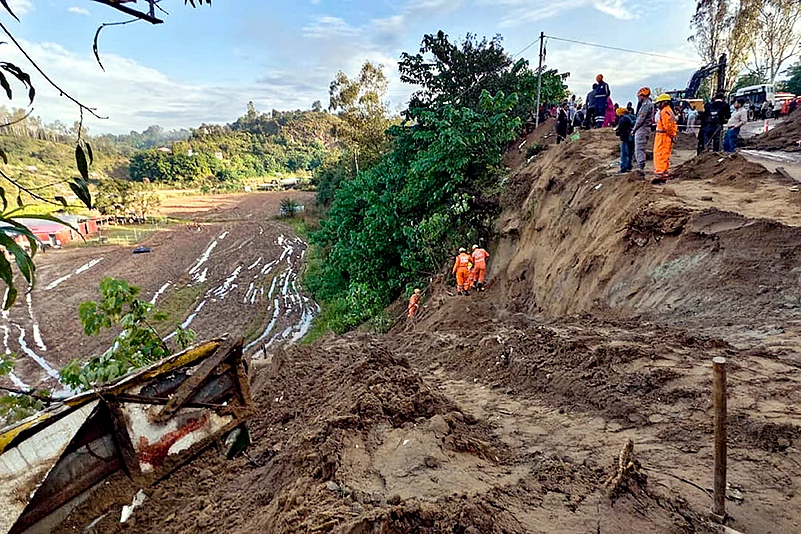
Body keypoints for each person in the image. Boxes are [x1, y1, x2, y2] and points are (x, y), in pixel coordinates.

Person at [653, 94, 678, 184]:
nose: (657, 105)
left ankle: (660, 174)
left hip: (663, 136)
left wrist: (672, 135)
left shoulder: (665, 111)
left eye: (659, 103)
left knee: (661, 154)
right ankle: (662, 174)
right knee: (662, 154)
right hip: (662, 135)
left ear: (664, 102)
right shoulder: (667, 111)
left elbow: (668, 126)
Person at [632, 87, 654, 176]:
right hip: (645, 129)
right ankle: (640, 166)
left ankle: (640, 167)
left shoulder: (646, 105)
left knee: (639, 148)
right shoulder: (648, 104)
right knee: (640, 148)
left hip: (642, 129)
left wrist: (634, 129)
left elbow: (640, 119)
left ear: (642, 96)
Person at [615, 107, 635, 173]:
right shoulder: (633, 117)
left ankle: (624, 168)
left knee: (624, 153)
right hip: (633, 137)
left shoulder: (623, 119)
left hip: (626, 137)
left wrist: (617, 132)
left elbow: (620, 129)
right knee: (631, 153)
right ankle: (629, 166)